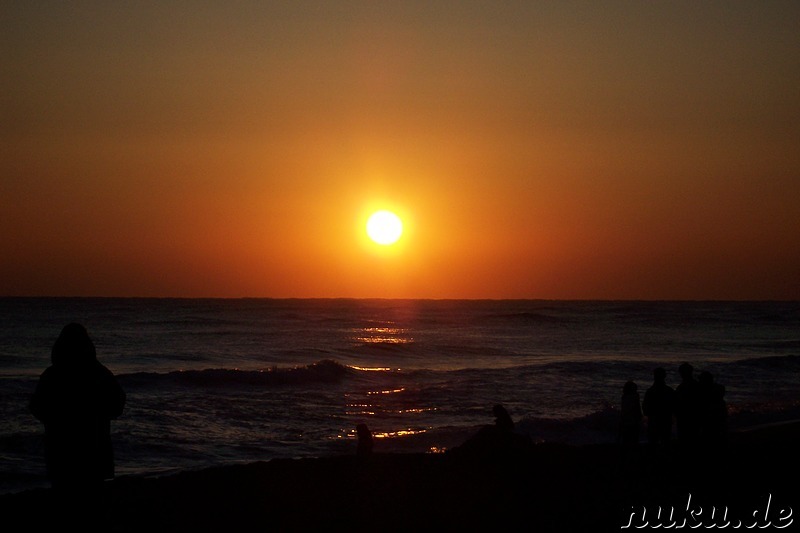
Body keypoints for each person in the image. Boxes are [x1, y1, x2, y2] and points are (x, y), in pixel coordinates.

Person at [30, 323, 126, 496]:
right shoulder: (100, 373)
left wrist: (56, 419)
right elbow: (117, 405)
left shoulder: (52, 374)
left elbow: (37, 407)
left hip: (61, 452)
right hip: (94, 451)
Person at [641, 367, 674, 448]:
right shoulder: (669, 391)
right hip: (665, 420)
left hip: (654, 420)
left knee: (653, 443)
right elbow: (674, 406)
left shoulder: (650, 391)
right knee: (665, 442)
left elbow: (645, 408)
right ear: (664, 376)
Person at [674, 362, 700, 450]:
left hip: (686, 416)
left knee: (685, 440)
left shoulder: (683, 387)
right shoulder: (696, 385)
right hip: (693, 416)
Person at [619, 381, 642, 445]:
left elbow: (624, 410)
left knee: (626, 439)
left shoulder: (624, 397)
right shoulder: (635, 396)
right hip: (633, 421)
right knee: (634, 439)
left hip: (626, 420)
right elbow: (637, 408)